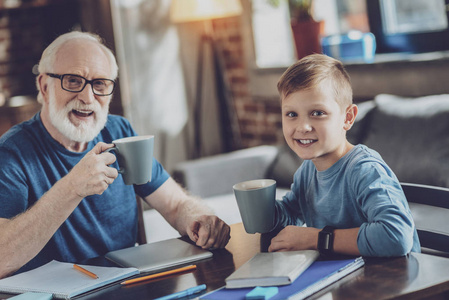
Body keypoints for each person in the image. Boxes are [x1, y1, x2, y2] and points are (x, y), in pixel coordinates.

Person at [0, 31, 230, 278]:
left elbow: (175, 204)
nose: (88, 98)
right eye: (73, 81)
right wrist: (71, 189)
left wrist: (200, 221)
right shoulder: (11, 153)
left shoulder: (119, 132)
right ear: (44, 87)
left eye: (100, 84)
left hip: (127, 286)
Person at [268, 54, 420, 257]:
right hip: (340, 278)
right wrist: (260, 208)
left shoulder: (365, 169)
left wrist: (315, 238)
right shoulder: (307, 170)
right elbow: (291, 215)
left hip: (391, 280)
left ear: (347, 118)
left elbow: (396, 236)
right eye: (292, 114)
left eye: (317, 113)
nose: (303, 127)